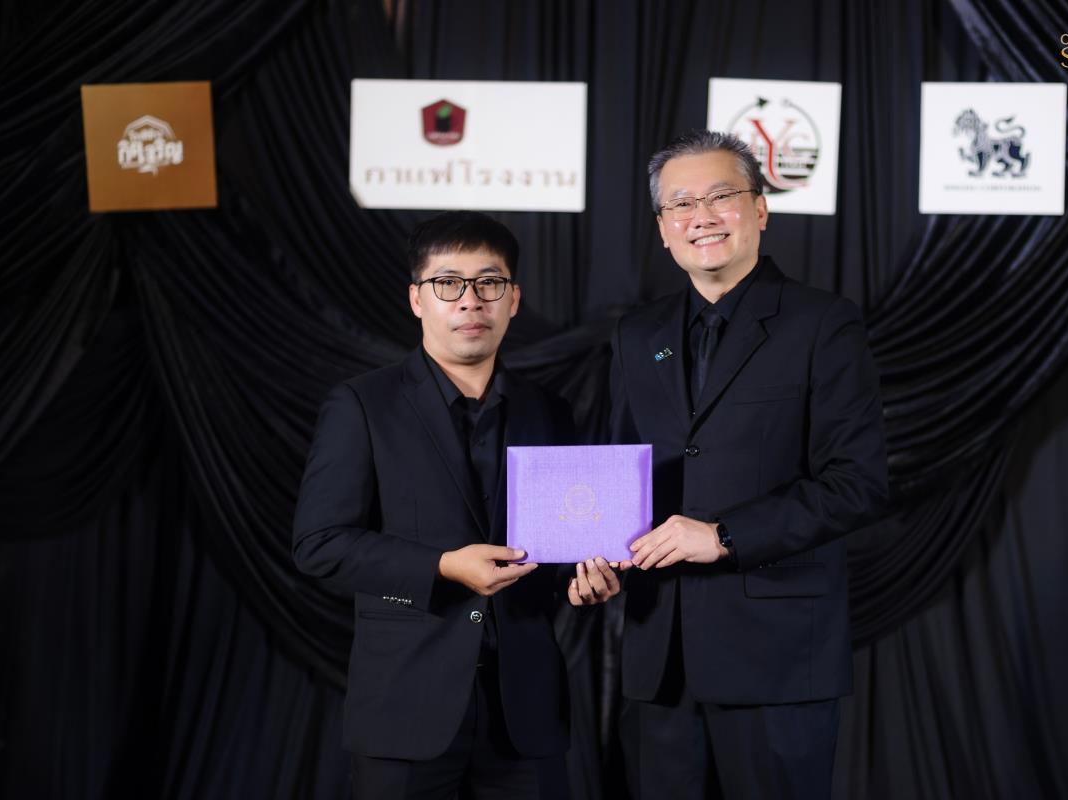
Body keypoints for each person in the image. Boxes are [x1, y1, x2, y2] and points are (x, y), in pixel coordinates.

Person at [293, 210, 621, 800]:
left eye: (489, 282)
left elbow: (556, 549)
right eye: (448, 283)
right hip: (405, 706)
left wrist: (581, 583)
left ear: (513, 299)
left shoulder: (549, 411)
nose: (471, 300)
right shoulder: (363, 405)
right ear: (417, 299)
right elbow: (320, 545)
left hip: (525, 710)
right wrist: (443, 566)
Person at [610, 131, 889, 799]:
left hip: (777, 658)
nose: (701, 217)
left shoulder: (823, 324)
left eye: (721, 196)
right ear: (663, 230)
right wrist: (592, 556)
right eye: (681, 204)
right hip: (660, 658)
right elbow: (622, 471)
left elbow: (857, 484)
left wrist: (723, 536)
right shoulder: (637, 335)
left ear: (760, 209)